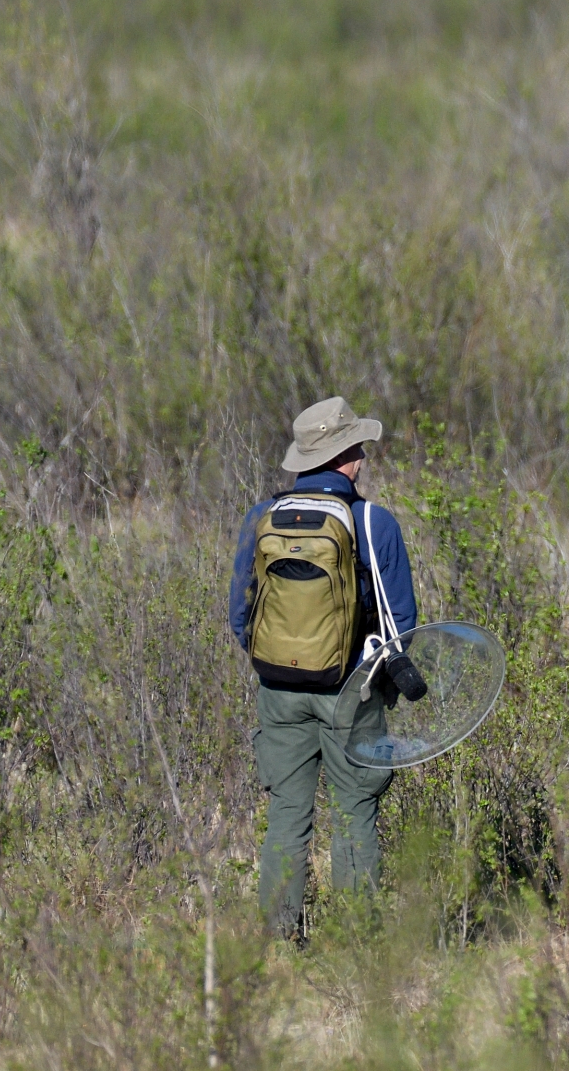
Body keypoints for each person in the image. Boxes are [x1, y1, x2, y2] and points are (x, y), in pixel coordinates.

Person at [229, 396, 417, 938]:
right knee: (355, 812)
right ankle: (357, 941)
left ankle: (279, 940)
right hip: (350, 692)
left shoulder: (260, 518)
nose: (362, 455)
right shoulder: (373, 521)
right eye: (357, 446)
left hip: (277, 686)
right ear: (347, 457)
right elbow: (401, 622)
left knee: (287, 816)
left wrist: (279, 666)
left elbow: (240, 614)